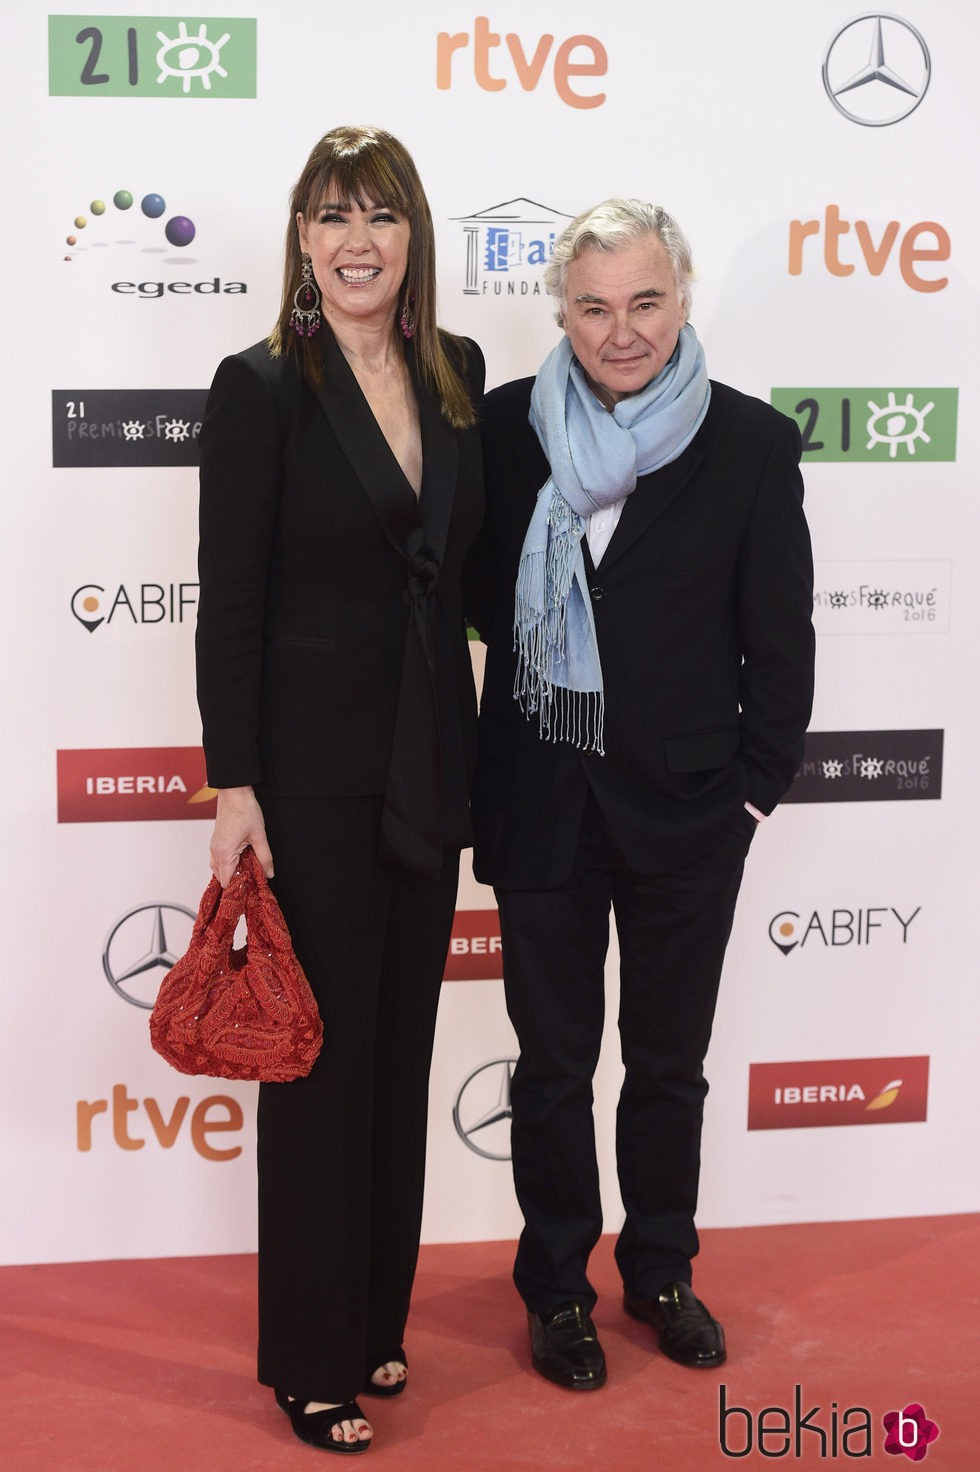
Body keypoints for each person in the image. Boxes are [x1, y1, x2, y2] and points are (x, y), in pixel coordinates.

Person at [470, 199, 814, 1390]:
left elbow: (779, 646)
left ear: (681, 296)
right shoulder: (506, 426)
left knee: (668, 1062)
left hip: (687, 812)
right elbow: (471, 592)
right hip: (539, 799)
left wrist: (749, 800)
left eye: (644, 302)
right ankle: (556, 1287)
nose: (621, 332)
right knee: (550, 1065)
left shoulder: (752, 444)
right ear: (559, 309)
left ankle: (659, 1267)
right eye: (593, 306)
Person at [195, 125, 484, 1453]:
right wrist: (233, 782)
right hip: (306, 779)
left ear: (415, 236)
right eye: (331, 217)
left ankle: (375, 1325)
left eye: (380, 215)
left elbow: (474, 563)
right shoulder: (260, 386)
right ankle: (308, 1360)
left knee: (399, 1056)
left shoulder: (459, 373)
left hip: (431, 761)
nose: (357, 241)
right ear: (303, 243)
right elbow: (232, 600)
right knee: (315, 1069)